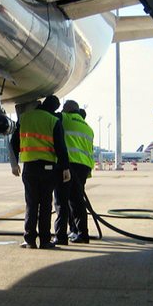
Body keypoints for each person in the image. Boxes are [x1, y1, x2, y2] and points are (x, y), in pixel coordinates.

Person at [11, 96, 70, 249]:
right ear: (55, 108)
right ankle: (45, 240)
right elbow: (61, 147)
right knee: (45, 204)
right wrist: (65, 167)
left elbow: (14, 142)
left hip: (29, 167)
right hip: (48, 168)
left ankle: (29, 239)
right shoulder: (53, 120)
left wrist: (14, 164)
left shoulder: (24, 118)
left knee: (31, 203)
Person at [53, 100, 95, 244]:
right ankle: (82, 234)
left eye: (64, 108)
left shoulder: (65, 118)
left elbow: (49, 116)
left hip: (68, 165)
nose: (62, 110)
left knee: (61, 201)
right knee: (77, 201)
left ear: (70, 108)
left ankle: (61, 236)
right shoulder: (88, 127)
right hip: (83, 168)